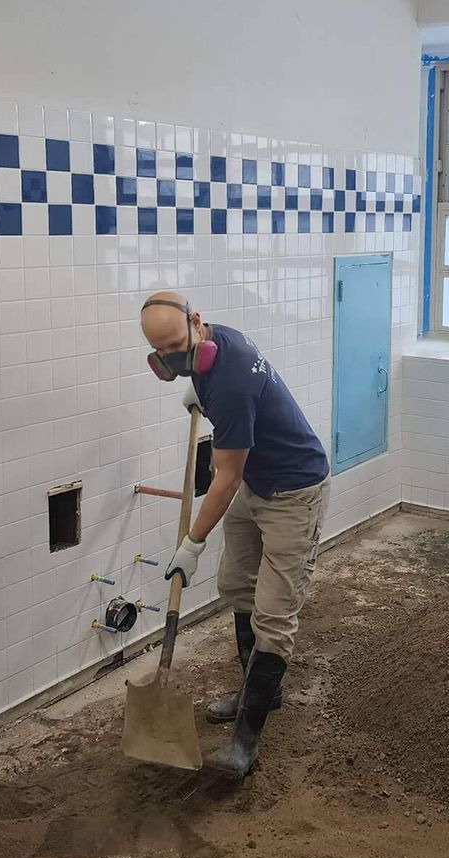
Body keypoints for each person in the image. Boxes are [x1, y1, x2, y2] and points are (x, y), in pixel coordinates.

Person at [141, 290, 329, 777]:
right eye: (161, 352)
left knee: (274, 614)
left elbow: (223, 477)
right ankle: (260, 687)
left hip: (294, 490)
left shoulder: (231, 380)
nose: (170, 358)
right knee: (237, 585)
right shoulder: (215, 347)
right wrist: (197, 390)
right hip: (257, 482)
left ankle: (246, 740)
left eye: (175, 345)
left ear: (196, 322)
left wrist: (192, 544)